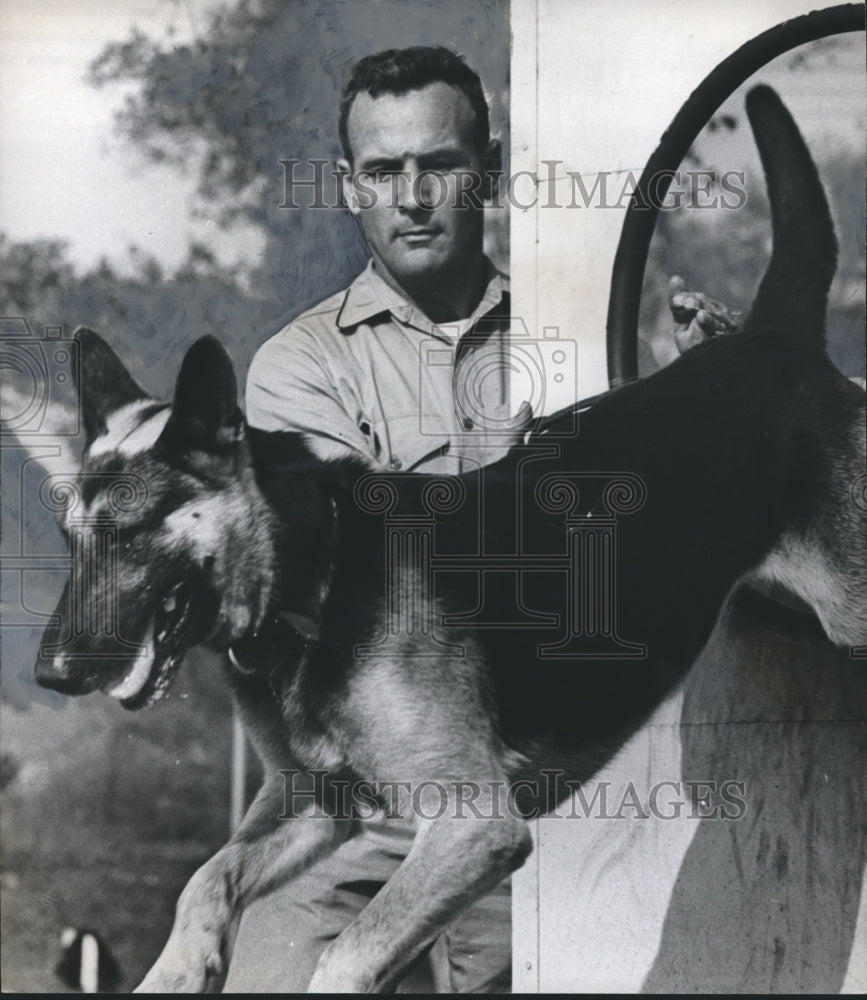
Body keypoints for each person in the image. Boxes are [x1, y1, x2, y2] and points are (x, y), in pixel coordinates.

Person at [223, 45, 736, 993]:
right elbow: (367, 588)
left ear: (488, 172)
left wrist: (701, 396)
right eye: (382, 170)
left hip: (524, 804)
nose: (412, 196)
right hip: (349, 816)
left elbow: (649, 531)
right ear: (347, 187)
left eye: (440, 164)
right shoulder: (293, 372)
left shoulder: (571, 337)